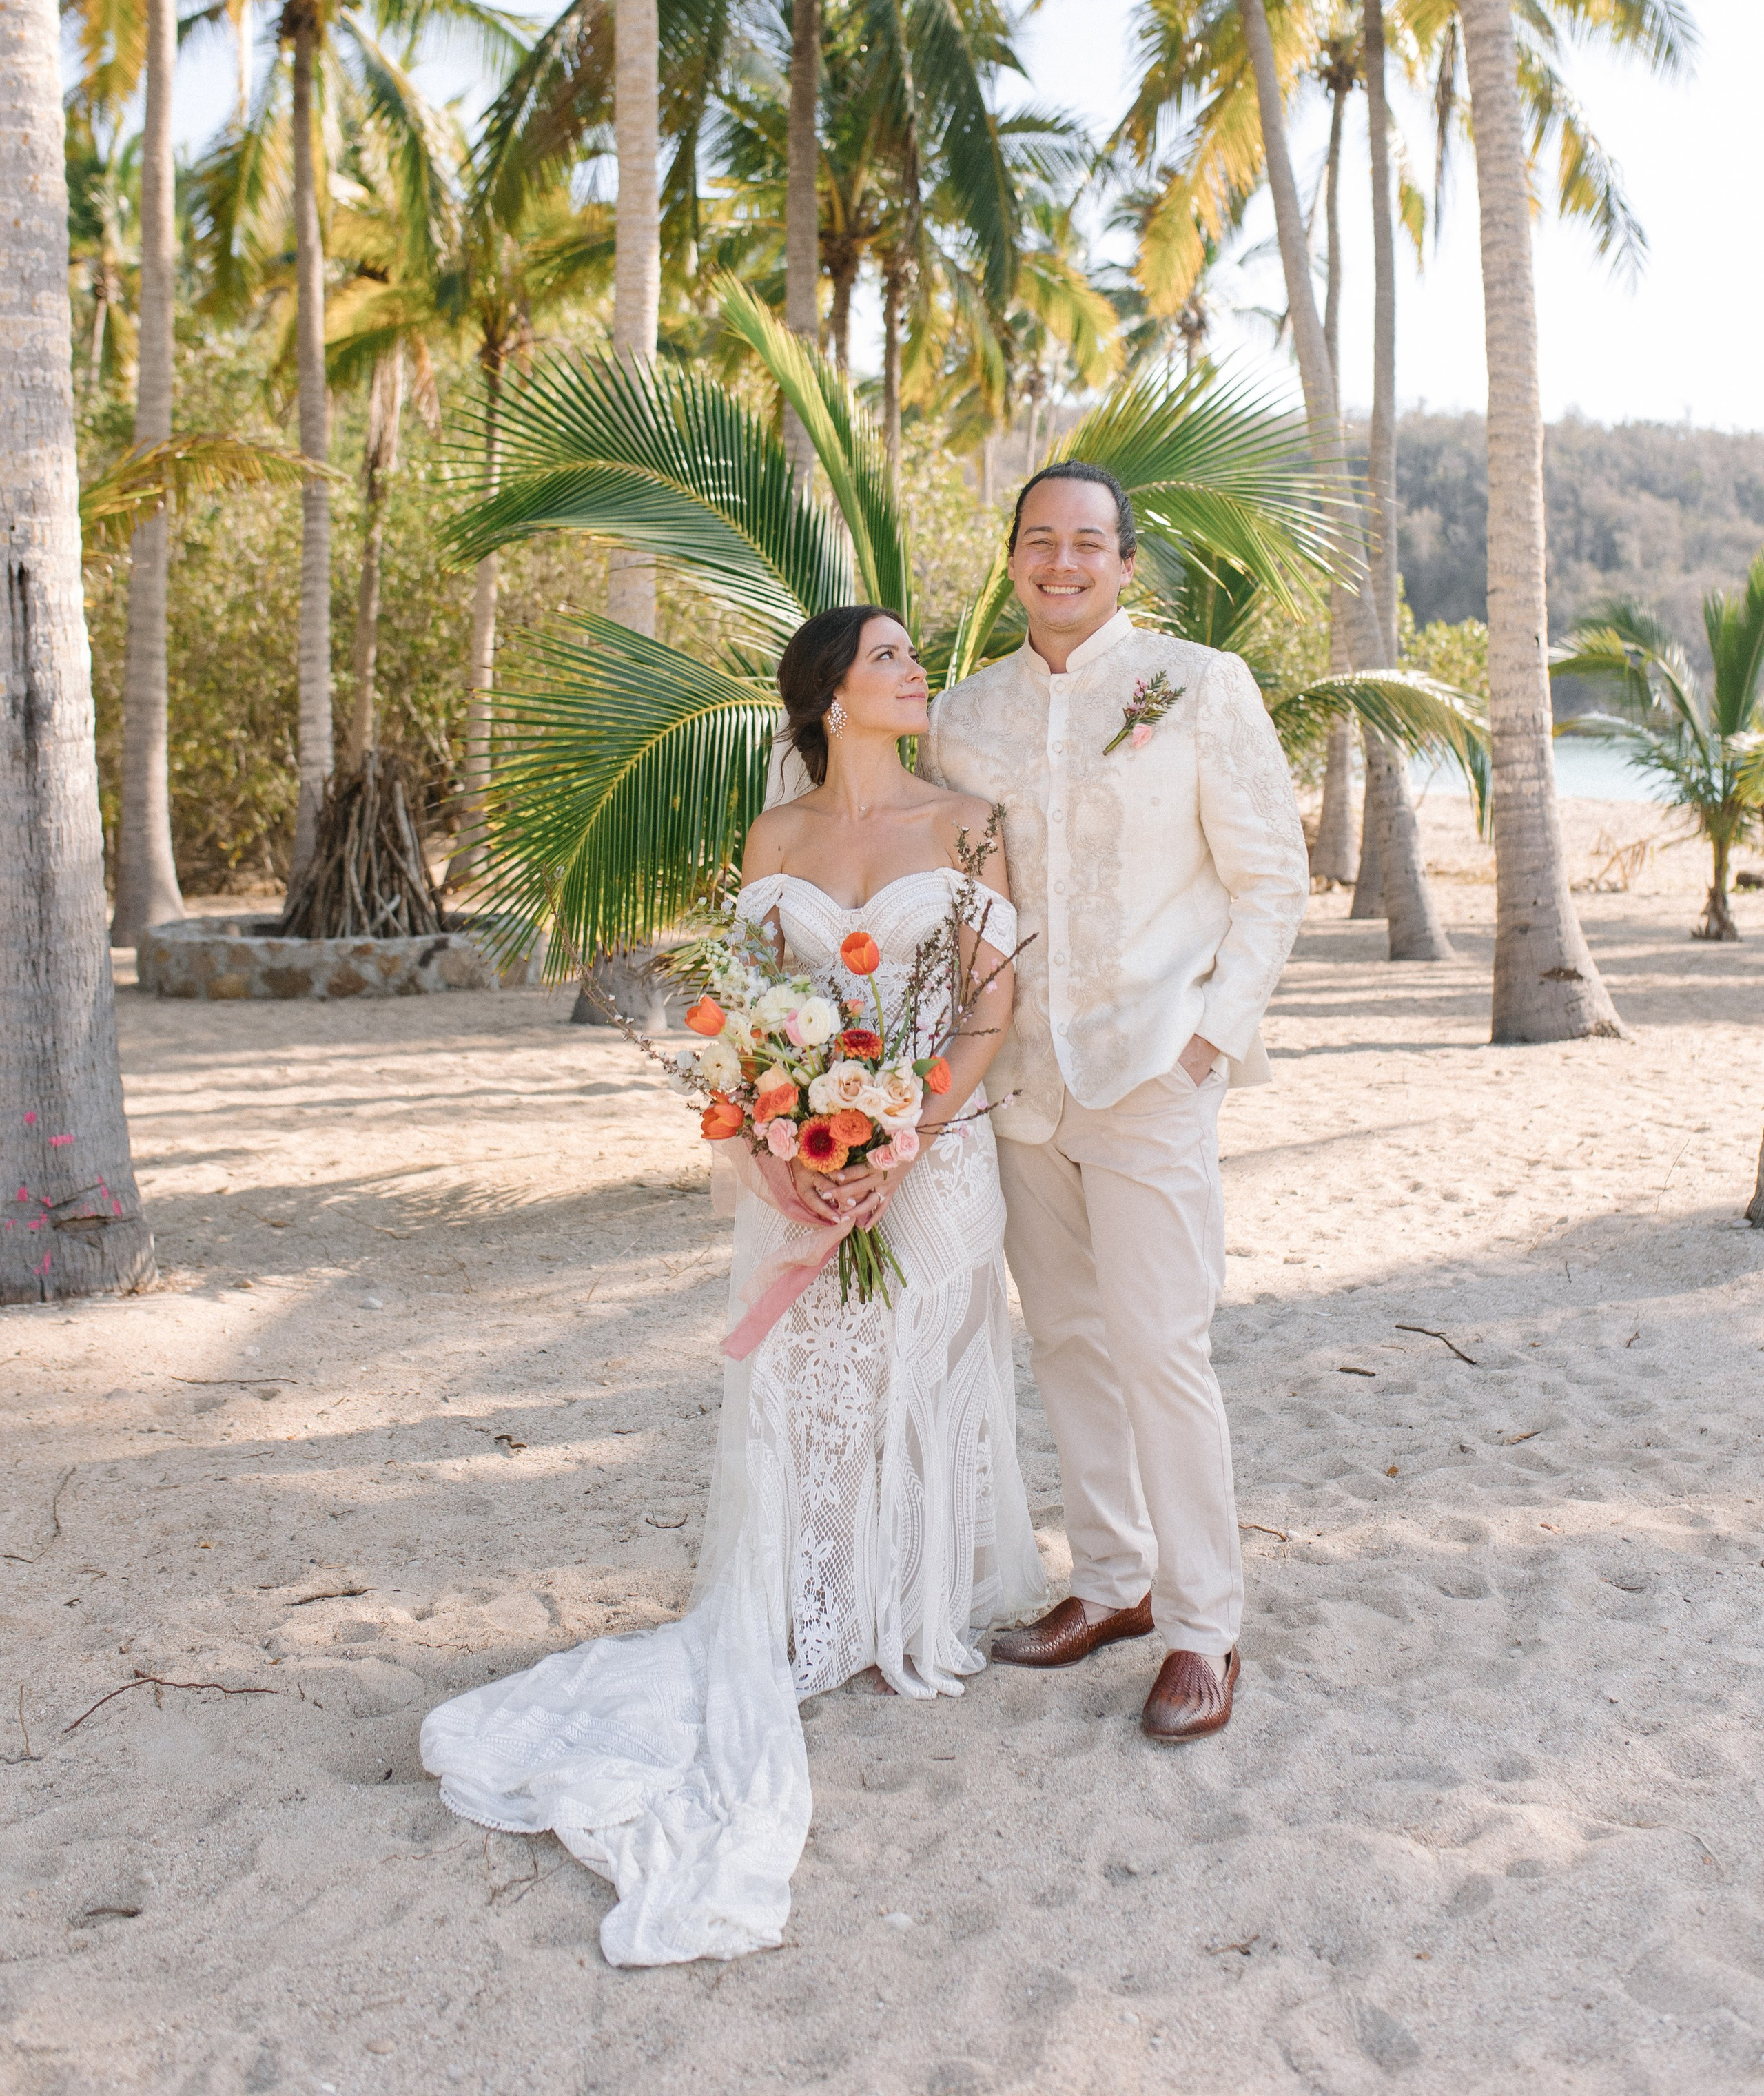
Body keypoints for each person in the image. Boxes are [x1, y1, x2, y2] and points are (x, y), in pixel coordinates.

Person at [420, 606, 1043, 1966]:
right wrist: (794, 1146)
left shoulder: (977, 819)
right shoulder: (771, 844)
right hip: (797, 1163)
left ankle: (901, 1619)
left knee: (920, 1369)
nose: (910, 670)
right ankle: (806, 1614)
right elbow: (754, 1018)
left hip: (933, 1156)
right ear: (824, 695)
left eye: (908, 657)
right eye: (883, 656)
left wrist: (903, 1133)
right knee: (807, 1387)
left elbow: (988, 1003)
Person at [921, 463, 1309, 1742]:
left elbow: (1271, 880)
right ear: (1013, 558)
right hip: (1017, 1081)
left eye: (1090, 543)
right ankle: (1110, 1583)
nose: (1063, 562)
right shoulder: (963, 717)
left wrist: (1207, 1046)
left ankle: (1206, 1627)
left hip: (1150, 1070)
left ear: (1126, 564)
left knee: (1162, 1348)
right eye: (1040, 540)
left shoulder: (1200, 685)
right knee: (1070, 1343)